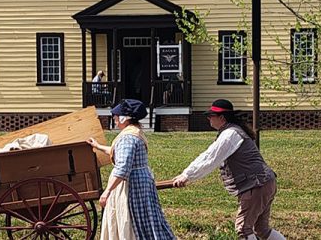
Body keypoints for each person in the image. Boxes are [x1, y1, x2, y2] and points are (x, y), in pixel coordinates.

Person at [172, 99, 284, 240]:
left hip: (256, 185)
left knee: (243, 229)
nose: (208, 118)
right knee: (261, 229)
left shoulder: (230, 134)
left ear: (221, 118)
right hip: (265, 183)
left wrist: (187, 175)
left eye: (211, 115)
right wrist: (186, 174)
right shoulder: (232, 131)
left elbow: (210, 158)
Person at [88, 99, 175, 240]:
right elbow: (118, 153)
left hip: (132, 185)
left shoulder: (127, 137)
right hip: (140, 180)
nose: (115, 120)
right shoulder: (135, 133)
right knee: (146, 219)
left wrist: (107, 191)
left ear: (124, 118)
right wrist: (98, 146)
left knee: (132, 219)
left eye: (116, 117)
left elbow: (122, 168)